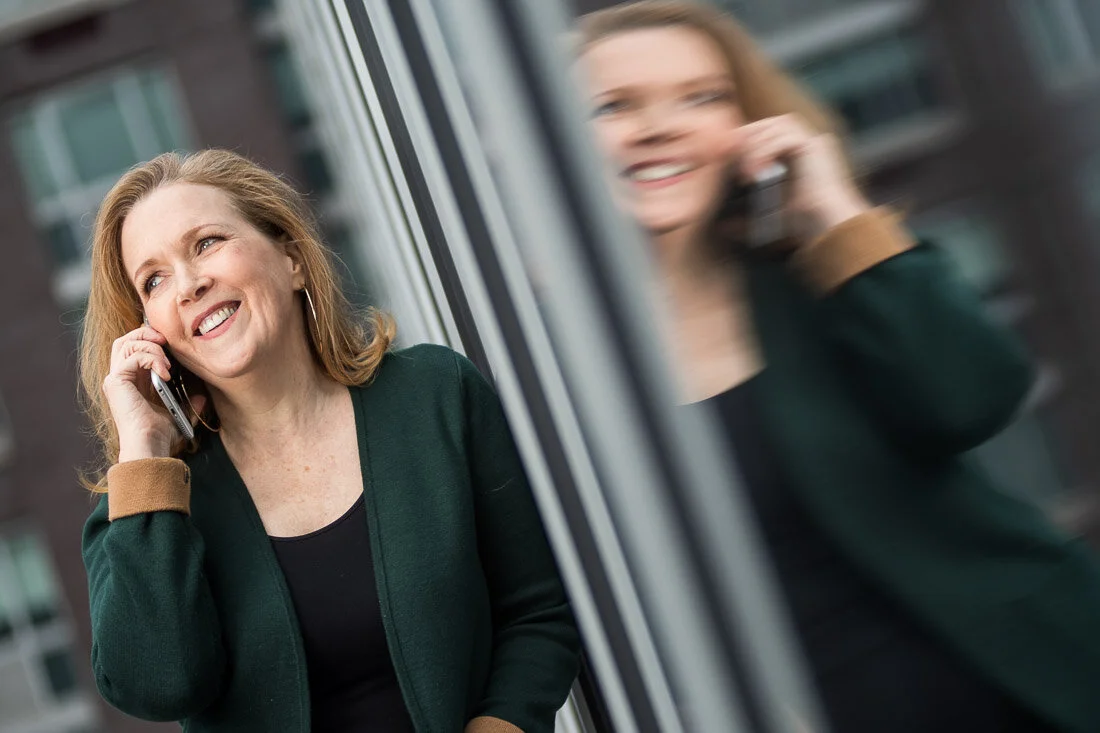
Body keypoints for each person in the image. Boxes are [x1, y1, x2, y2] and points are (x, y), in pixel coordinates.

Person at [576, 2, 1100, 731]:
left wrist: (833, 207)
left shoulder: (818, 278)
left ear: (750, 126)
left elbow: (975, 397)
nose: (660, 126)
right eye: (613, 105)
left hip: (1034, 689)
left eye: (703, 97)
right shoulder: (531, 356)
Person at [78, 149, 579, 733]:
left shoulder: (436, 394)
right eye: (154, 280)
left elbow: (538, 612)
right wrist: (143, 452)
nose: (189, 284)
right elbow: (159, 686)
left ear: (291, 257)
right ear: (149, 329)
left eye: (208, 242)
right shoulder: (141, 509)